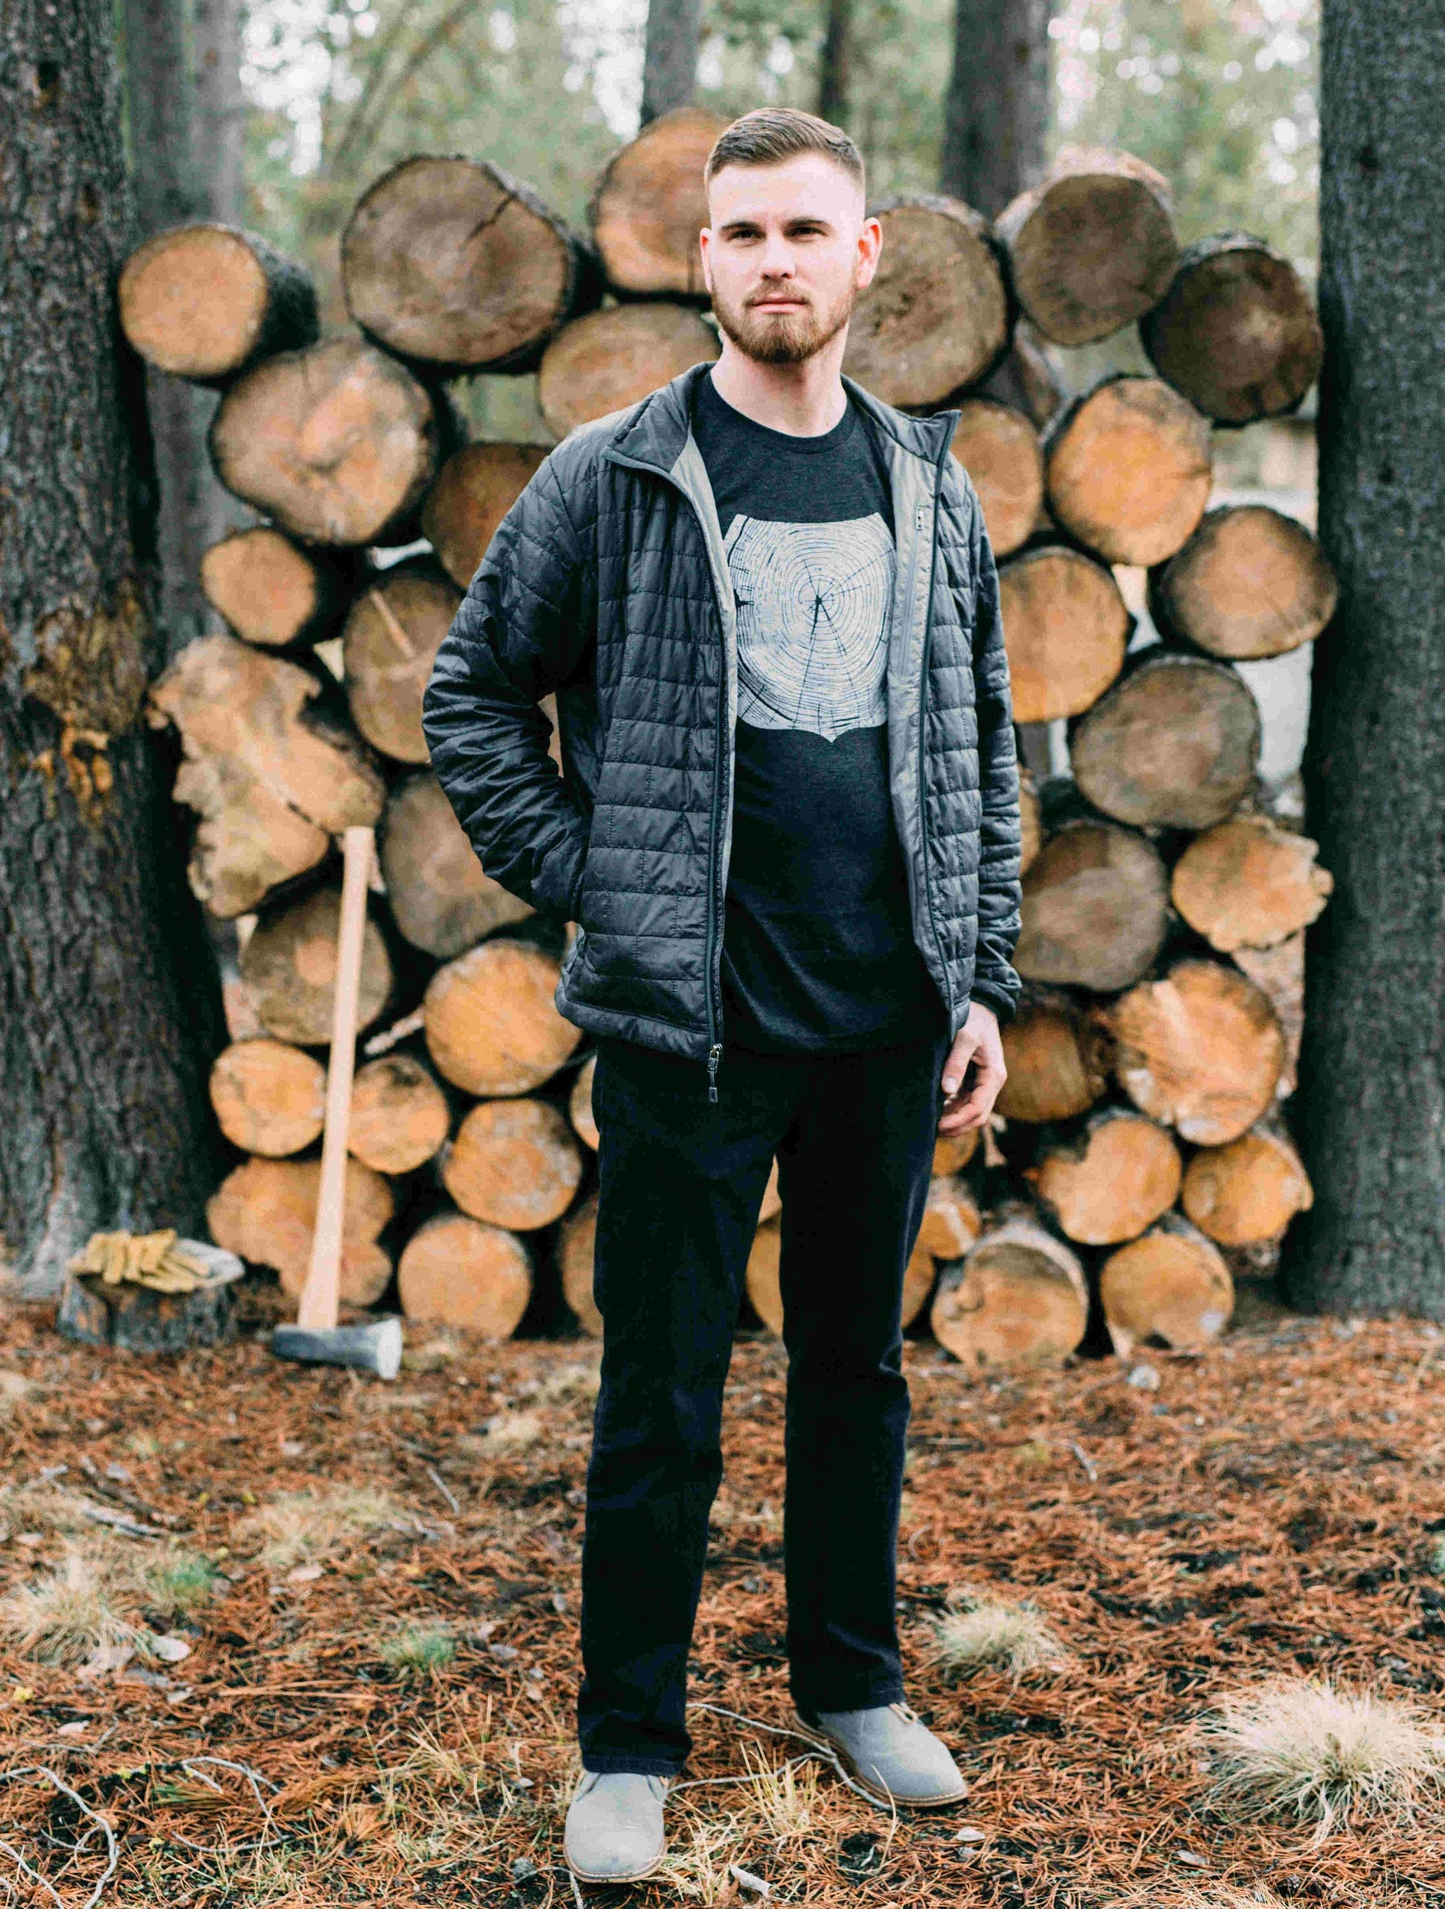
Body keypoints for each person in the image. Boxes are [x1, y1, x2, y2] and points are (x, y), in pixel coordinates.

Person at [423, 107, 1022, 1884]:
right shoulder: (614, 468)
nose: (773, 261)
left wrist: (976, 971)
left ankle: (851, 1686)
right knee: (661, 1390)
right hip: (687, 1022)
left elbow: (977, 739)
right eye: (741, 231)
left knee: (854, 1374)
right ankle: (629, 1745)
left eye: (804, 232)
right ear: (702, 262)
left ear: (864, 262)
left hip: (881, 1024)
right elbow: (473, 693)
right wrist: (601, 879)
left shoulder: (927, 481)